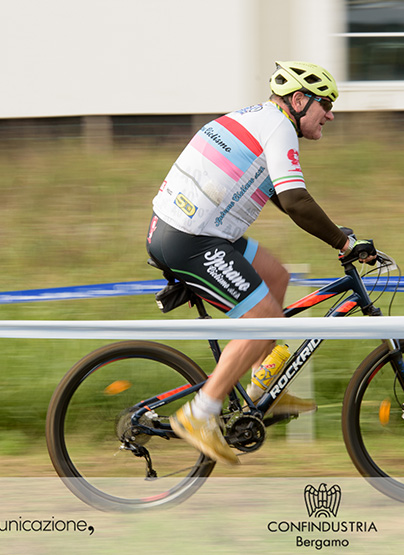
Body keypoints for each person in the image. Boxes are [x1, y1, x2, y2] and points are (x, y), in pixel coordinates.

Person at [146, 61, 375, 464]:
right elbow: (295, 200)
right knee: (265, 317)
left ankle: (261, 388)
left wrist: (335, 232)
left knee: (276, 277)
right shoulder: (279, 127)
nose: (330, 115)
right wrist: (344, 244)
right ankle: (199, 413)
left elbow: (282, 197)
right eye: (325, 104)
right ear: (299, 100)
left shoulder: (258, 118)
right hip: (191, 239)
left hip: (198, 232)